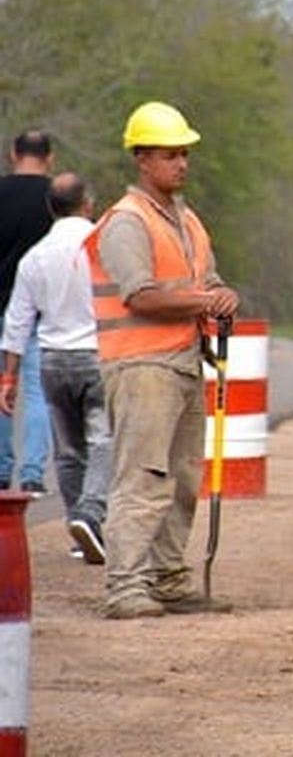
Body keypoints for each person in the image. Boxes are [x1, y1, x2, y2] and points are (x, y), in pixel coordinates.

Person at [85, 101, 238, 619]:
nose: (182, 163)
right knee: (143, 477)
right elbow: (141, 296)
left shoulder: (187, 221)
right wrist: (204, 301)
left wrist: (221, 295)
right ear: (142, 159)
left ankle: (168, 578)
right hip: (141, 366)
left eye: (185, 154)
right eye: (171, 155)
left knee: (182, 477)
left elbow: (206, 280)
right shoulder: (126, 222)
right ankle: (125, 586)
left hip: (182, 362)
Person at [1, 173, 111, 563]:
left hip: (52, 359)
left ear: (51, 208)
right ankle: (91, 513)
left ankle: (78, 529)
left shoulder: (35, 256)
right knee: (102, 440)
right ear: (88, 204)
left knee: (68, 450)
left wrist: (9, 375)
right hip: (97, 355)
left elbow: (17, 321)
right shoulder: (102, 247)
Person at [0, 130, 57, 494]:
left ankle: (1, 469)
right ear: (50, 158)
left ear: (12, 154)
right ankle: (33, 472)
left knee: (2, 391)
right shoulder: (58, 198)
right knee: (38, 393)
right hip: (40, 310)